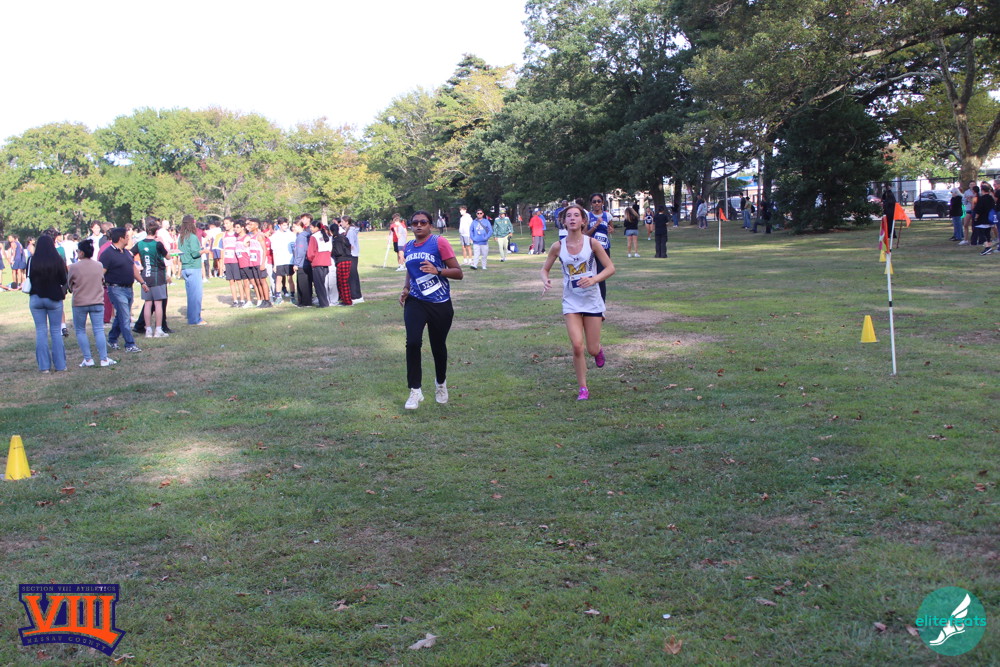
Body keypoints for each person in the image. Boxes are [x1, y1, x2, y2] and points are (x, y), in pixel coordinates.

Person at [541, 203, 615, 401]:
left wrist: (594, 279)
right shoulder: (558, 246)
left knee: (591, 348)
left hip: (591, 300)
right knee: (576, 345)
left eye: (576, 215)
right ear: (564, 221)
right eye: (568, 216)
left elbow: (610, 268)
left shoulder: (592, 243)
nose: (572, 218)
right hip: (571, 301)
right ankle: (583, 388)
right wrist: (545, 280)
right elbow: (544, 269)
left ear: (583, 221)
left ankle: (598, 351)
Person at [399, 210, 463, 409]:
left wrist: (438, 270)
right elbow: (411, 271)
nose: (419, 225)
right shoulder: (408, 246)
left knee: (438, 346)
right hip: (416, 301)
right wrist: (406, 288)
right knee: (412, 343)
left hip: (440, 303)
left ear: (430, 225)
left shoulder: (439, 242)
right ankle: (415, 390)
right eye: (415, 223)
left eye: (423, 222)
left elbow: (458, 273)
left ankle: (440, 383)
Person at [67, 239, 116, 367]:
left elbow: (70, 285)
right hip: (97, 301)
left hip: (80, 302)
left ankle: (88, 359)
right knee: (99, 330)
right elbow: (102, 281)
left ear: (81, 253)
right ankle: (104, 358)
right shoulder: (99, 265)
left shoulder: (74, 267)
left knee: (80, 330)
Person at [26, 235, 68, 373]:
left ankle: (44, 367)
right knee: (56, 331)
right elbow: (63, 279)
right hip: (54, 297)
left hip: (36, 297)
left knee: (41, 331)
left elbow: (29, 277)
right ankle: (60, 365)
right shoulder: (57, 260)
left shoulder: (32, 260)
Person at [100, 228, 143, 353]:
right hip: (115, 289)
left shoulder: (126, 253)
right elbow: (101, 273)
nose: (129, 238)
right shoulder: (107, 254)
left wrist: (142, 282)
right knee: (125, 318)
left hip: (128, 289)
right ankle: (130, 344)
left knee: (121, 316)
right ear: (121, 238)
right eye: (127, 236)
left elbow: (133, 269)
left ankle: (112, 339)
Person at [133, 217, 171, 337]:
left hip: (145, 275)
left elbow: (129, 254)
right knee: (158, 303)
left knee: (148, 303)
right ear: (156, 231)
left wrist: (137, 266)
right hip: (157, 275)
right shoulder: (157, 244)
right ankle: (158, 329)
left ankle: (148, 329)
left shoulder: (139, 244)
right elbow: (168, 256)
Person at [177, 215, 208, 325]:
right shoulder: (193, 237)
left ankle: (191, 317)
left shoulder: (181, 237)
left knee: (190, 295)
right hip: (194, 267)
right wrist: (204, 251)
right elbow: (195, 253)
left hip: (185, 267)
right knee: (196, 295)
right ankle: (195, 319)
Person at [585, 193, 613, 302]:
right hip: (591, 249)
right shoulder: (588, 216)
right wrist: (596, 225)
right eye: (594, 201)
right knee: (590, 275)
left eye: (599, 201)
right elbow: (585, 234)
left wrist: (611, 230)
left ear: (602, 203)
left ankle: (601, 303)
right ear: (591, 204)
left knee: (601, 276)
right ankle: (591, 301)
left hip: (604, 249)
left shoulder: (608, 216)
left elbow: (611, 229)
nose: (596, 203)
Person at [307, 219, 332, 307]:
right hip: (326, 261)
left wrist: (310, 260)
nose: (310, 229)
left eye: (311, 227)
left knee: (319, 285)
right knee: (323, 283)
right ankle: (325, 302)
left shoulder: (314, 237)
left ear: (316, 228)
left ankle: (323, 303)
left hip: (317, 262)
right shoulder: (326, 235)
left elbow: (311, 252)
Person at [340, 216, 363, 302]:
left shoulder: (351, 232)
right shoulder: (349, 231)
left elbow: (351, 245)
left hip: (352, 255)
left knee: (352, 276)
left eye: (342, 221)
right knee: (352, 275)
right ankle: (355, 295)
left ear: (347, 222)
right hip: (352, 255)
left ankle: (356, 296)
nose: (341, 223)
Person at [330, 223, 354, 306]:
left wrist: (332, 252)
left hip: (342, 260)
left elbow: (339, 252)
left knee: (343, 281)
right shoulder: (343, 237)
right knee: (342, 281)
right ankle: (344, 299)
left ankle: (347, 301)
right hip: (347, 259)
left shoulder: (336, 240)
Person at [293, 215, 313, 306]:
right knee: (306, 283)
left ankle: (305, 302)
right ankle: (303, 301)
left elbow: (300, 251)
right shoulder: (305, 235)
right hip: (306, 262)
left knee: (303, 283)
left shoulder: (301, 237)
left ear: (299, 226)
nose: (293, 228)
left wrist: (296, 263)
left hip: (302, 263)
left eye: (294, 226)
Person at [972, 183, 996, 252]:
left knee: (981, 233)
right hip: (989, 218)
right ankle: (989, 246)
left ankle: (987, 247)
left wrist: (976, 217)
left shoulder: (982, 199)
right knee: (987, 233)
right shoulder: (991, 198)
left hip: (982, 218)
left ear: (982, 191)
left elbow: (979, 209)